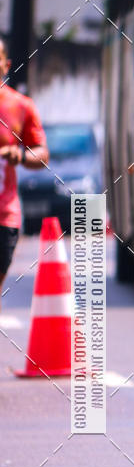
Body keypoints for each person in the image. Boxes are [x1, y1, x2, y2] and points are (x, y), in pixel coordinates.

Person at [0, 38, 49, 308]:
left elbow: (42, 154)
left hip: (3, 215)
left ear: (5, 65)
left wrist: (18, 155)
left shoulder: (21, 106)